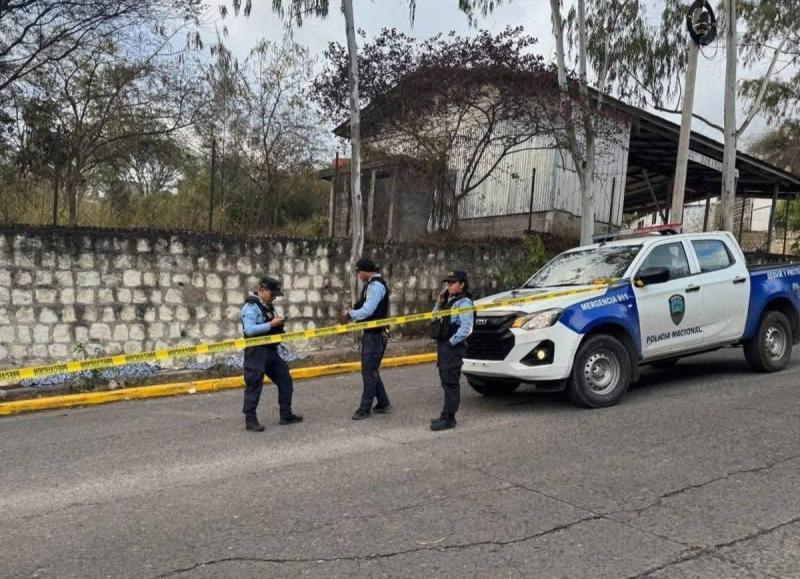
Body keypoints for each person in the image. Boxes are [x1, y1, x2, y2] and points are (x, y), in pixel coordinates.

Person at [240, 276, 303, 432]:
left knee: (285, 380)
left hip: (270, 350)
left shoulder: (267, 306)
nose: (274, 297)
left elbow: (271, 325)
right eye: (272, 293)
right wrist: (271, 324)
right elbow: (249, 330)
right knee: (254, 385)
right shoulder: (250, 307)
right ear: (262, 290)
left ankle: (286, 414)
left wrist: (278, 323)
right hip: (256, 351)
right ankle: (250, 420)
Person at [341, 257, 391, 420]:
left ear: (365, 271)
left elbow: (368, 310)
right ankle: (383, 402)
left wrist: (350, 315)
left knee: (368, 371)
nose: (357, 275)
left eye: (358, 272)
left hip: (375, 335)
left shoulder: (375, 286)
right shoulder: (373, 285)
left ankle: (364, 408)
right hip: (373, 333)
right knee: (371, 369)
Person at [430, 270, 474, 431]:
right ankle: (445, 414)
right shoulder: (449, 301)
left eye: (452, 283)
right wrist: (439, 303)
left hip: (452, 347)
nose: (449, 286)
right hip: (443, 346)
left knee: (451, 382)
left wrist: (451, 342)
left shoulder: (464, 303)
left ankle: (450, 418)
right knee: (445, 380)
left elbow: (466, 328)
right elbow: (434, 318)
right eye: (447, 283)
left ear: (462, 284)